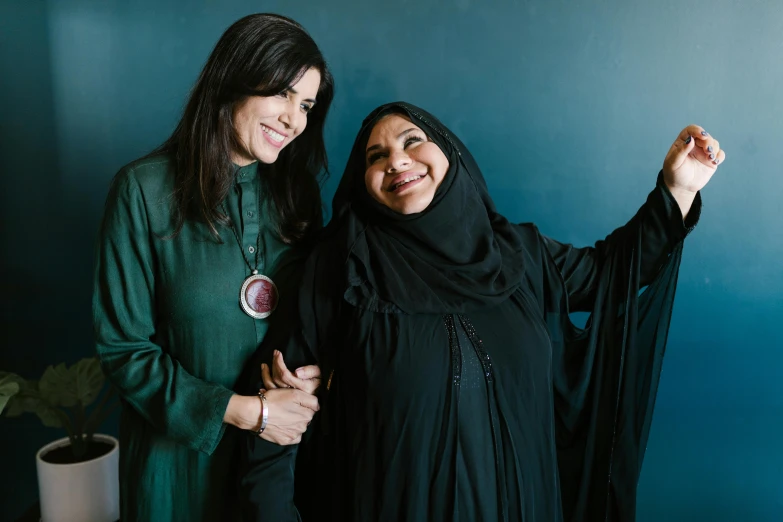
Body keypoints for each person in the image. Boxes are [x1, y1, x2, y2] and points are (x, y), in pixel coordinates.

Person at [240, 102, 724, 522]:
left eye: (413, 141)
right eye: (376, 156)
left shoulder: (516, 252)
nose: (398, 161)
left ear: (450, 154)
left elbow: (608, 275)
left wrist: (677, 189)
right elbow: (274, 420)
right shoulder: (341, 269)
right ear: (363, 183)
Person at [92, 14, 332, 521]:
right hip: (175, 465)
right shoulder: (143, 191)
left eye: (306, 105)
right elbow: (123, 349)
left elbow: (318, 320)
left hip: (275, 464)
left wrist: (311, 379)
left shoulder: (298, 196)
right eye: (283, 94)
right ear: (233, 82)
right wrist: (250, 412)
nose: (294, 119)